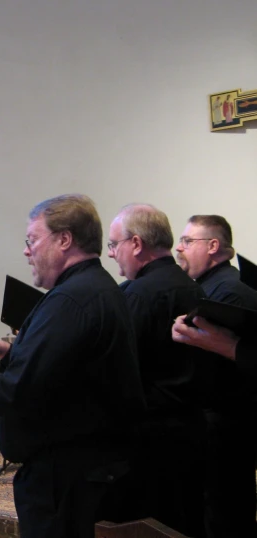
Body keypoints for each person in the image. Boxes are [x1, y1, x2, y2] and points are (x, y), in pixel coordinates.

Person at [0, 194, 145, 538]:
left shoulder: (70, 300)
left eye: (32, 240)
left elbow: (17, 389)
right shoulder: (95, 288)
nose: (27, 250)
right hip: (83, 471)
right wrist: (8, 351)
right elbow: (63, 372)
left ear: (64, 239)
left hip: (67, 480)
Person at [107, 204, 211, 537]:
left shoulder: (139, 294)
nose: (111, 254)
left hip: (150, 442)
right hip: (192, 430)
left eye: (114, 245)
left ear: (136, 244)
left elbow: (119, 369)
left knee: (146, 525)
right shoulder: (192, 286)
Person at [175, 215, 257, 537]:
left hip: (228, 428)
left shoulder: (227, 293)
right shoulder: (214, 287)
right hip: (222, 426)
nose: (179, 248)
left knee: (225, 516)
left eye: (187, 241)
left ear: (213, 246)